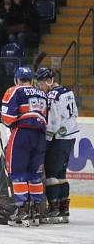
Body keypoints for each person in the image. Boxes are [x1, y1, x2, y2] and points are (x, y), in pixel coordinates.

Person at [0, 67, 48, 226]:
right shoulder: (42, 94)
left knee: (18, 173)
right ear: (31, 79)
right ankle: (36, 212)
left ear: (17, 79)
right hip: (40, 136)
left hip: (22, 135)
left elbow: (9, 118)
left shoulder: (14, 91)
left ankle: (22, 211)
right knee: (35, 174)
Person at [36, 68, 78, 224]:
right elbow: (74, 114)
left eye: (41, 83)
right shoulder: (68, 91)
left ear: (49, 80)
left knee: (52, 174)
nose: (40, 86)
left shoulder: (52, 95)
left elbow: (53, 121)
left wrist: (46, 139)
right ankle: (63, 209)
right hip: (70, 137)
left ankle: (54, 208)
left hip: (57, 138)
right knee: (61, 173)